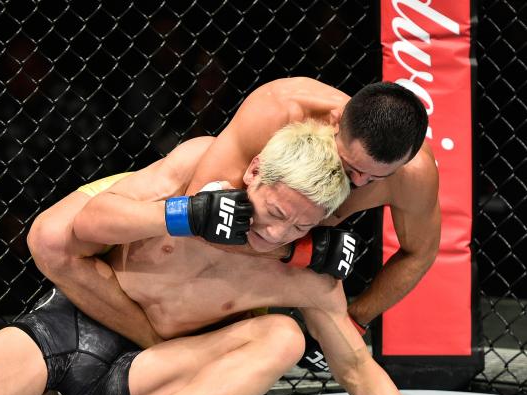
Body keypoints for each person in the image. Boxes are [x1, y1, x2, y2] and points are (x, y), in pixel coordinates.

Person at [0, 123, 504, 395]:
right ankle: (44, 393)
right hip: (75, 327)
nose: (279, 236)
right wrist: (183, 216)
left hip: (155, 378)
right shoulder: (195, 170)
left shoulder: (305, 270)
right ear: (255, 171)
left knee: (284, 339)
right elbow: (90, 220)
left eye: (302, 226)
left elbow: (355, 365)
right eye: (277, 213)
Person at [29, 77, 439, 355]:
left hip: (262, 246)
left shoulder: (414, 176)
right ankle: (157, 346)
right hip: (200, 216)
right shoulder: (281, 107)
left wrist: (357, 317)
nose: (360, 182)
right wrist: (298, 254)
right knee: (53, 237)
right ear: (335, 122)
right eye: (351, 167)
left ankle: (166, 357)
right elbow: (206, 214)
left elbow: (419, 252)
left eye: (376, 177)